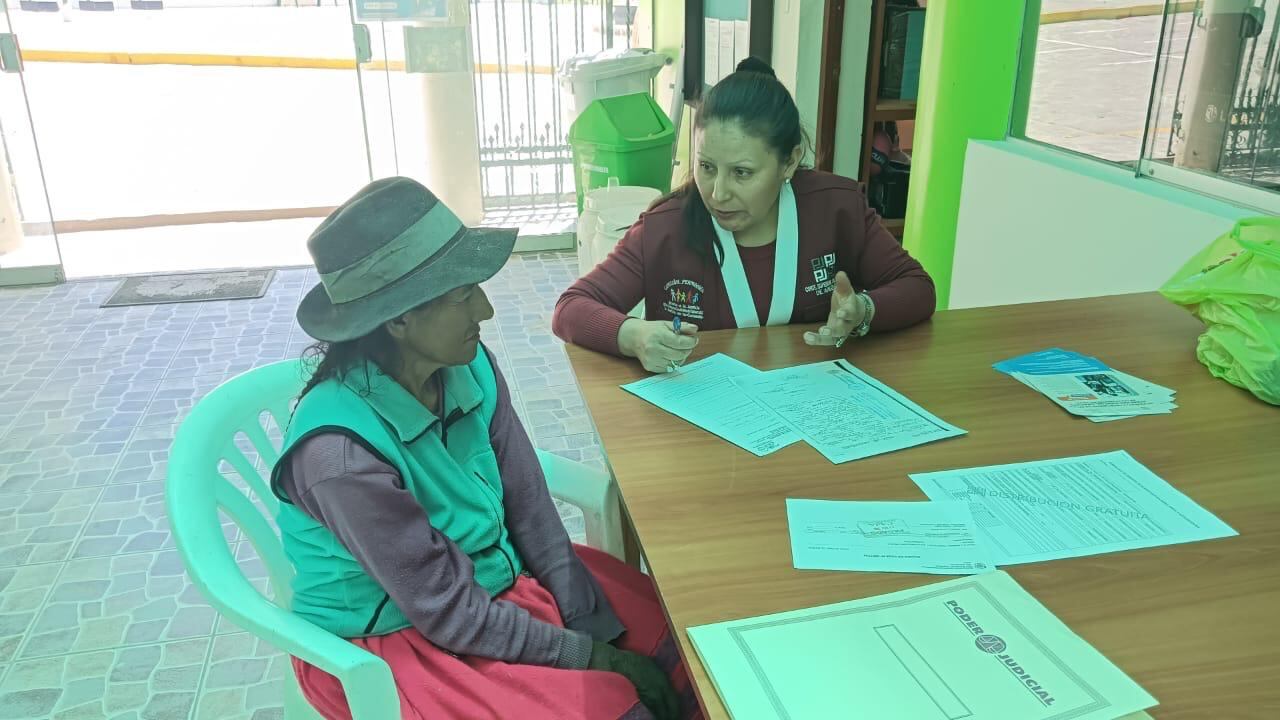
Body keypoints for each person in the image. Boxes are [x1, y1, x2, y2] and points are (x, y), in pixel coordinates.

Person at [271, 177, 695, 720]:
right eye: (462, 294)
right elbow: (447, 613)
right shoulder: (340, 457)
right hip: (402, 636)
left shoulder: (467, 366)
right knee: (616, 707)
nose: (487, 310)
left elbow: (529, 504)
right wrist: (596, 657)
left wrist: (588, 619)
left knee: (684, 645)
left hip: (495, 579)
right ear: (399, 319)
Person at [552, 57, 936, 373]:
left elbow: (918, 287)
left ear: (789, 162)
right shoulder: (665, 228)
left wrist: (864, 310)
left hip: (810, 412)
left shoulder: (836, 208)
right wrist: (633, 335)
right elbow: (571, 308)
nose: (718, 193)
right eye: (706, 167)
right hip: (699, 431)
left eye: (742, 173)